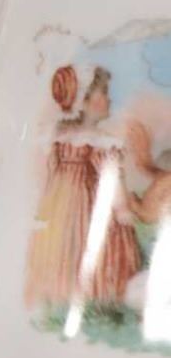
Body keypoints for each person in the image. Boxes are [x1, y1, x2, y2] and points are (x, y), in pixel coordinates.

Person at [25, 65, 142, 311]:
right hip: (87, 206)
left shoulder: (60, 139)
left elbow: (52, 174)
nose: (109, 100)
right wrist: (122, 209)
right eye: (104, 93)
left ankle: (62, 298)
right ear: (85, 101)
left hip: (58, 205)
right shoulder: (100, 142)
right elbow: (110, 179)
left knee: (64, 247)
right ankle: (94, 299)